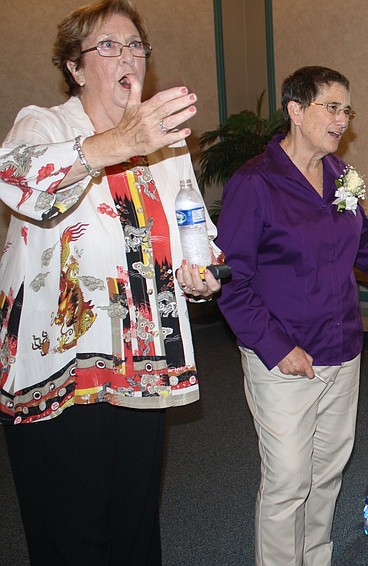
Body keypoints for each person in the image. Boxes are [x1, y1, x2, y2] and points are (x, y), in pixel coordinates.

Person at [0, 1, 223, 564]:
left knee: (134, 524)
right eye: (109, 46)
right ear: (75, 67)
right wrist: (119, 141)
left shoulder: (166, 145)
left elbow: (195, 226)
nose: (128, 56)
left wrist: (203, 272)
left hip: (144, 362)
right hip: (61, 366)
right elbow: (17, 180)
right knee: (73, 530)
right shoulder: (45, 124)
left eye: (135, 46)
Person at [215, 65, 368, 565]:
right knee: (288, 479)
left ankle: (315, 558)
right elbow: (231, 284)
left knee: (326, 473)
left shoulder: (342, 178)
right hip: (285, 358)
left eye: (347, 109)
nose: (342, 120)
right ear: (295, 110)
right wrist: (278, 349)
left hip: (343, 351)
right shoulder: (255, 184)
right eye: (331, 107)